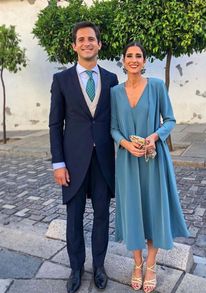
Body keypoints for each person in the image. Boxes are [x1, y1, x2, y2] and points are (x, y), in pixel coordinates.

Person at [111, 42, 189, 293]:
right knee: (133, 209)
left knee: (154, 209)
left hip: (153, 159)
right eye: (129, 56)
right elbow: (112, 127)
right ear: (123, 61)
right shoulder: (114, 92)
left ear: (144, 61)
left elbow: (170, 120)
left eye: (139, 56)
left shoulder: (156, 86)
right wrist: (125, 143)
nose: (134, 59)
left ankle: (152, 265)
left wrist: (153, 137)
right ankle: (137, 264)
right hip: (127, 160)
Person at [49, 21, 118, 293]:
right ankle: (76, 268)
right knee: (74, 218)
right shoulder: (61, 80)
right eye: (82, 39)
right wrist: (58, 163)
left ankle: (99, 266)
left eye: (92, 38)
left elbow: (117, 118)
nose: (87, 43)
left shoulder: (112, 79)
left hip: (103, 161)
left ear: (99, 44)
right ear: (74, 46)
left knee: (102, 216)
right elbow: (55, 124)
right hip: (73, 163)